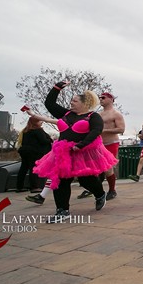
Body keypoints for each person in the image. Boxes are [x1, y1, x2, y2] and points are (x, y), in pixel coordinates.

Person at [33, 81, 117, 223]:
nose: (71, 103)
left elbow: (97, 131)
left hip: (83, 152)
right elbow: (49, 104)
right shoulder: (65, 113)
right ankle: (62, 210)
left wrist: (82, 144)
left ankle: (99, 194)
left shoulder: (93, 116)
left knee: (86, 180)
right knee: (60, 180)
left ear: (84, 103)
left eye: (74, 101)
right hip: (63, 153)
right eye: (71, 101)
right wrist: (57, 88)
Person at [77, 92, 125, 200]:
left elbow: (121, 129)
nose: (101, 99)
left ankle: (112, 190)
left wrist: (103, 130)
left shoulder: (116, 114)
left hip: (111, 143)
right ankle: (93, 189)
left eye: (103, 97)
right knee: (93, 167)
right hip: (98, 144)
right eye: (99, 98)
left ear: (111, 99)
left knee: (107, 167)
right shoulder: (97, 114)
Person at [22, 110, 58, 205]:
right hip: (41, 152)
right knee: (55, 173)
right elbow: (44, 140)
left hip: (29, 152)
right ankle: (41, 195)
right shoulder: (37, 130)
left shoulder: (27, 131)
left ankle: (97, 193)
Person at [16, 116, 53, 193]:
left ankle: (19, 186)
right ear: (36, 122)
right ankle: (34, 187)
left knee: (23, 169)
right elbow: (44, 141)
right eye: (40, 121)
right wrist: (50, 140)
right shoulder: (38, 130)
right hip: (34, 152)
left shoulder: (25, 131)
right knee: (33, 169)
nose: (41, 122)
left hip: (24, 151)